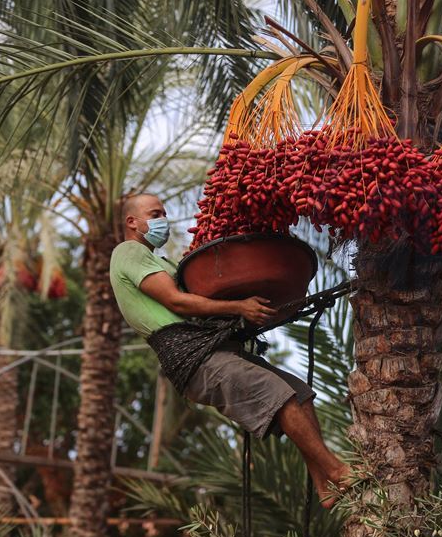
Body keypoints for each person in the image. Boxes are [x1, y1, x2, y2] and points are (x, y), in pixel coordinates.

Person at [109, 193, 350, 508]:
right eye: (156, 214)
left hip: (214, 350)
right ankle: (338, 471)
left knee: (299, 393)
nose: (162, 221)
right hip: (195, 358)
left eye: (164, 214)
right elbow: (177, 302)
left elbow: (202, 304)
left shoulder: (163, 263)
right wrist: (239, 304)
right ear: (132, 222)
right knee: (280, 396)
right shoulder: (128, 252)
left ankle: (323, 484)